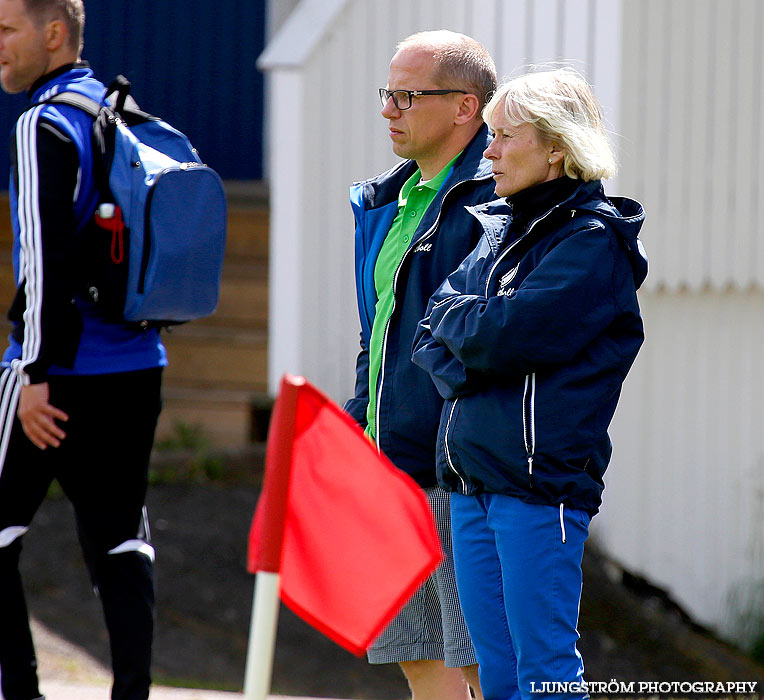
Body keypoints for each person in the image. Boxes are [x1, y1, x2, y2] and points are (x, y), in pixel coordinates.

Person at [411, 67, 648, 700]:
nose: (485, 151)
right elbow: (428, 335)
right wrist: (479, 337)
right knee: (497, 672)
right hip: (471, 481)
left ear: (557, 148)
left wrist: (477, 335)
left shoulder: (593, 242)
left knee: (543, 673)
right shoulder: (498, 231)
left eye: (502, 136)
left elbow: (505, 336)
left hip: (537, 485)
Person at [0, 1, 167, 699]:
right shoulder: (125, 112)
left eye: (7, 30)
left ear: (54, 34)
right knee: (121, 543)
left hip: (57, 374)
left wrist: (33, 371)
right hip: (138, 366)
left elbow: (41, 257)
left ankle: (21, 691)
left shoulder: (44, 121)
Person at [345, 30, 497, 700]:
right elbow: (376, 334)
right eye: (388, 92)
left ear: (465, 107)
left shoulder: (498, 200)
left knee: (482, 664)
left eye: (408, 95)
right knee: (416, 660)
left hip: (455, 476)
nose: (389, 109)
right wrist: (358, 430)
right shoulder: (386, 199)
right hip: (387, 468)